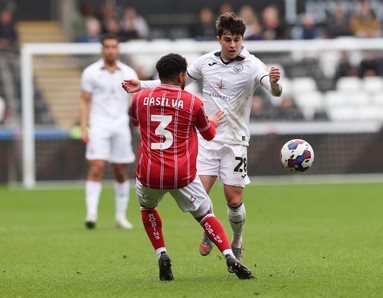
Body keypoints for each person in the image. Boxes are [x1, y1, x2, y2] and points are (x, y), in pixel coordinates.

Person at [122, 12, 282, 268]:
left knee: (233, 198)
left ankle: (237, 243)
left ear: (243, 39)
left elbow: (274, 91)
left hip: (235, 140)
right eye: (228, 39)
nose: (232, 44)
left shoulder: (253, 64)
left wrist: (274, 83)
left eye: (237, 39)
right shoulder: (205, 62)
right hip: (207, 139)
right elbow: (172, 83)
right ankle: (210, 231)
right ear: (219, 39)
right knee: (202, 195)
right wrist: (141, 85)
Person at [130, 53, 254, 281]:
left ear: (159, 75)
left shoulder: (140, 98)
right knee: (206, 214)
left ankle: (162, 253)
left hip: (149, 173)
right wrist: (213, 121)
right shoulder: (192, 102)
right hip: (181, 175)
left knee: (147, 209)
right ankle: (229, 255)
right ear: (180, 76)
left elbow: (136, 122)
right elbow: (208, 135)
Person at [80, 33, 138, 229]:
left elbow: (135, 102)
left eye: (114, 46)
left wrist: (139, 125)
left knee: (121, 171)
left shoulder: (128, 72)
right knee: (96, 167)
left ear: (118, 48)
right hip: (98, 126)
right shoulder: (91, 72)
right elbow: (84, 101)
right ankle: (91, 213)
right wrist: (83, 127)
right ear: (102, 49)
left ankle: (120, 217)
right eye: (107, 46)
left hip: (121, 126)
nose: (111, 50)